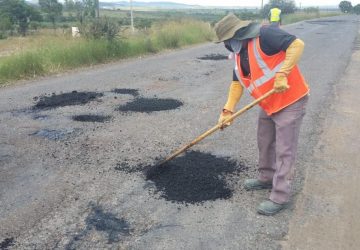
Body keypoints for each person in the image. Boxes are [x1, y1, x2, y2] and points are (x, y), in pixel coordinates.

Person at [214, 13, 309, 215]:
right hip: (269, 103)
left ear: (238, 34)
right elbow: (236, 83)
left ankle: (281, 196)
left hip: (291, 100)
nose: (227, 45)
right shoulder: (239, 56)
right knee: (264, 140)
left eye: (227, 40)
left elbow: (297, 44)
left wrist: (283, 73)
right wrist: (227, 110)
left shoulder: (265, 34)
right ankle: (266, 177)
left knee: (285, 150)